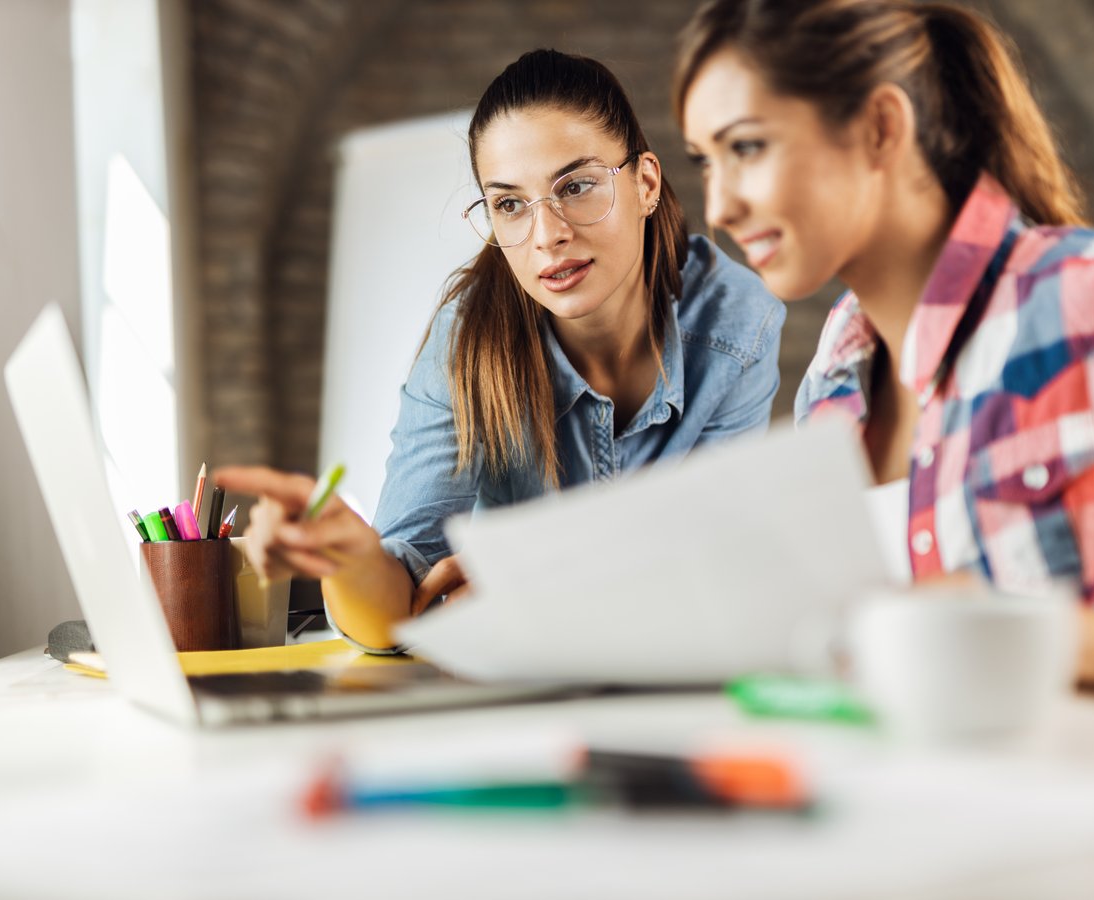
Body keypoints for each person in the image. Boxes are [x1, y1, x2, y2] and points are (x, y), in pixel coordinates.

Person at [674, 0, 1094, 729]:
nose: (719, 207)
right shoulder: (832, 380)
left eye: (746, 148)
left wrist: (1054, 638)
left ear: (879, 128)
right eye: (704, 162)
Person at [218, 49, 784, 653]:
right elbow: (395, 614)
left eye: (578, 186)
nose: (548, 235)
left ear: (645, 183)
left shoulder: (735, 324)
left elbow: (718, 575)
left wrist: (538, 592)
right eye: (510, 204)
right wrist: (347, 557)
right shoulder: (467, 344)